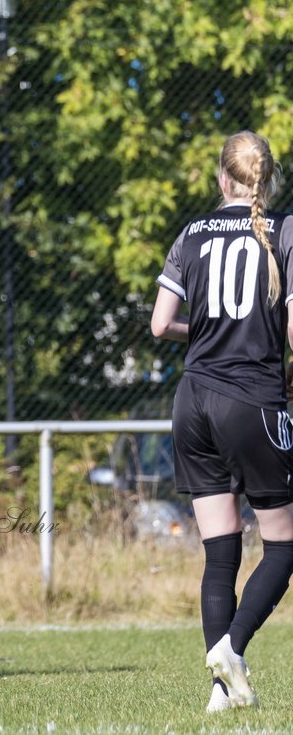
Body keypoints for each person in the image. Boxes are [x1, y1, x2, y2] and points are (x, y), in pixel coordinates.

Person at [151, 130, 293, 713]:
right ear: (268, 180)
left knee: (220, 552)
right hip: (252, 400)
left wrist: (206, 331)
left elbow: (161, 325)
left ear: (221, 178)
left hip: (192, 401)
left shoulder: (191, 233)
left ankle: (220, 692)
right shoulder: (284, 231)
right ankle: (232, 647)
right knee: (284, 547)